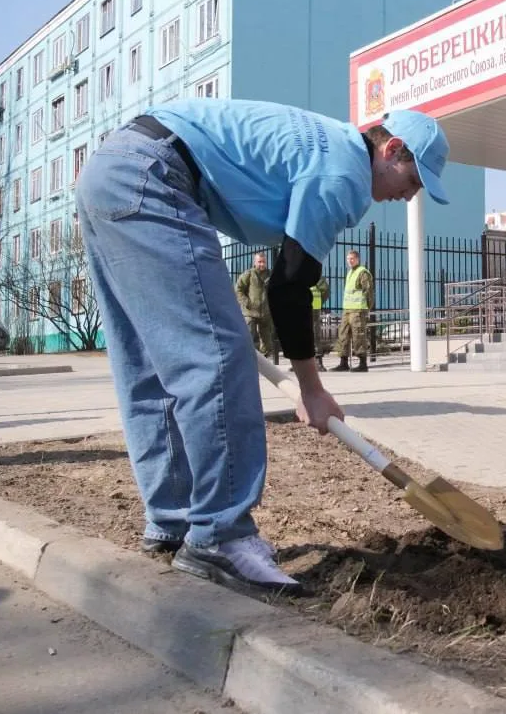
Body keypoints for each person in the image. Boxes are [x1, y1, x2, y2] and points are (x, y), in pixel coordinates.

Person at [74, 99, 450, 595]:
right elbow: (289, 287)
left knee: (149, 362)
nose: (410, 195)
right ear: (393, 149)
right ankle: (220, 536)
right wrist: (311, 390)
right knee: (217, 355)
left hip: (110, 170)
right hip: (156, 176)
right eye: (415, 179)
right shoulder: (345, 172)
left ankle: (175, 521)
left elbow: (285, 276)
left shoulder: (326, 141)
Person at [332, 249, 372, 373]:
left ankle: (362, 363)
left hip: (358, 310)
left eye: (352, 258)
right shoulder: (349, 273)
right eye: (348, 259)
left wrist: (367, 308)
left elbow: (368, 291)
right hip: (347, 309)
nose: (350, 261)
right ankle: (343, 363)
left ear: (357, 259)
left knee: (358, 335)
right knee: (343, 335)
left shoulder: (362, 272)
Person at [236, 252, 274, 357]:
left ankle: (264, 358)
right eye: (259, 262)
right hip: (250, 312)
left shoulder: (270, 275)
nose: (262, 264)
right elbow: (238, 289)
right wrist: (246, 302)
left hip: (265, 312)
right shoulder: (249, 274)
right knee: (248, 336)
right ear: (255, 262)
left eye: (263, 262)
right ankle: (246, 357)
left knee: (266, 339)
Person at [310, 274, 330, 371]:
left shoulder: (314, 274)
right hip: (299, 307)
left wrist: (319, 302)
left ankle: (318, 360)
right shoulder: (296, 273)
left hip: (313, 307)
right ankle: (300, 361)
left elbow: (325, 290)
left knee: (314, 334)